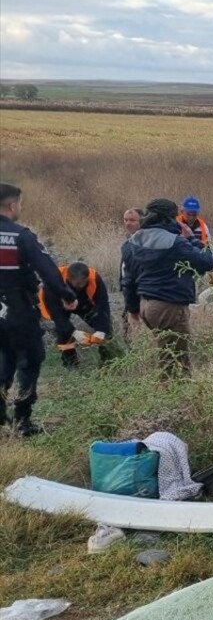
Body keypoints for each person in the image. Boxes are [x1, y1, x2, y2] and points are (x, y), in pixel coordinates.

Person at [0, 181, 77, 436]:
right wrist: (67, 295)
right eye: (19, 203)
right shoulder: (21, 236)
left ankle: (1, 419)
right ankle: (22, 421)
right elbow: (48, 271)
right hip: (18, 308)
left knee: (4, 357)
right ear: (12, 205)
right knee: (30, 359)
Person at [121, 198, 213, 375]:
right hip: (169, 306)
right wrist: (192, 239)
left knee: (170, 354)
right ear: (171, 217)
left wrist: (133, 309)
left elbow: (128, 279)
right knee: (175, 364)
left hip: (146, 307)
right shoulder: (175, 242)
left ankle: (176, 396)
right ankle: (173, 399)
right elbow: (207, 262)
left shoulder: (131, 243)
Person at [39, 261, 112, 368]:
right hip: (60, 305)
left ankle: (108, 361)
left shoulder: (94, 278)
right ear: (68, 278)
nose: (81, 286)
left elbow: (102, 306)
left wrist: (101, 331)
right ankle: (70, 364)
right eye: (78, 284)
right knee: (63, 332)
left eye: (84, 282)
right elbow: (57, 316)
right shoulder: (53, 281)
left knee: (107, 328)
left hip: (84, 303)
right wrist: (74, 332)